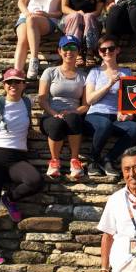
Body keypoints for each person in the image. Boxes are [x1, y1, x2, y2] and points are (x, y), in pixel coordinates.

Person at [0, 68, 45, 266]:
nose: (13, 85)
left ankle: (10, 198)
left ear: (23, 84)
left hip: (16, 157)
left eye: (17, 82)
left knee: (35, 181)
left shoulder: (27, 102)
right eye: (9, 82)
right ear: (4, 85)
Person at [82, 34, 136, 179]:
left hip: (116, 117)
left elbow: (130, 99)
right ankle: (93, 160)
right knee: (105, 125)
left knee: (135, 128)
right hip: (96, 115)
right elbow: (90, 99)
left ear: (117, 50)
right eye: (103, 50)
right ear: (99, 52)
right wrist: (109, 84)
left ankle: (108, 159)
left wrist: (128, 114)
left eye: (111, 48)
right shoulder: (95, 72)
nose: (107, 52)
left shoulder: (126, 72)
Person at [38, 36, 90, 180]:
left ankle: (74, 161)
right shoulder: (50, 72)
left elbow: (86, 104)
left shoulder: (84, 76)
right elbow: (42, 99)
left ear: (78, 51)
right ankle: (54, 161)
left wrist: (74, 111)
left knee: (73, 118)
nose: (69, 51)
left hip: (73, 114)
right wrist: (54, 113)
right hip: (50, 114)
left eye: (73, 48)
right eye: (65, 48)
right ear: (59, 51)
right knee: (56, 123)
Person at [13, 0, 66, 78]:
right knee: (22, 40)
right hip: (27, 16)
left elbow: (62, 11)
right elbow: (21, 2)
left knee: (32, 21)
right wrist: (27, 14)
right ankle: (17, 74)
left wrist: (48, 15)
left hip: (48, 20)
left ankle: (34, 61)